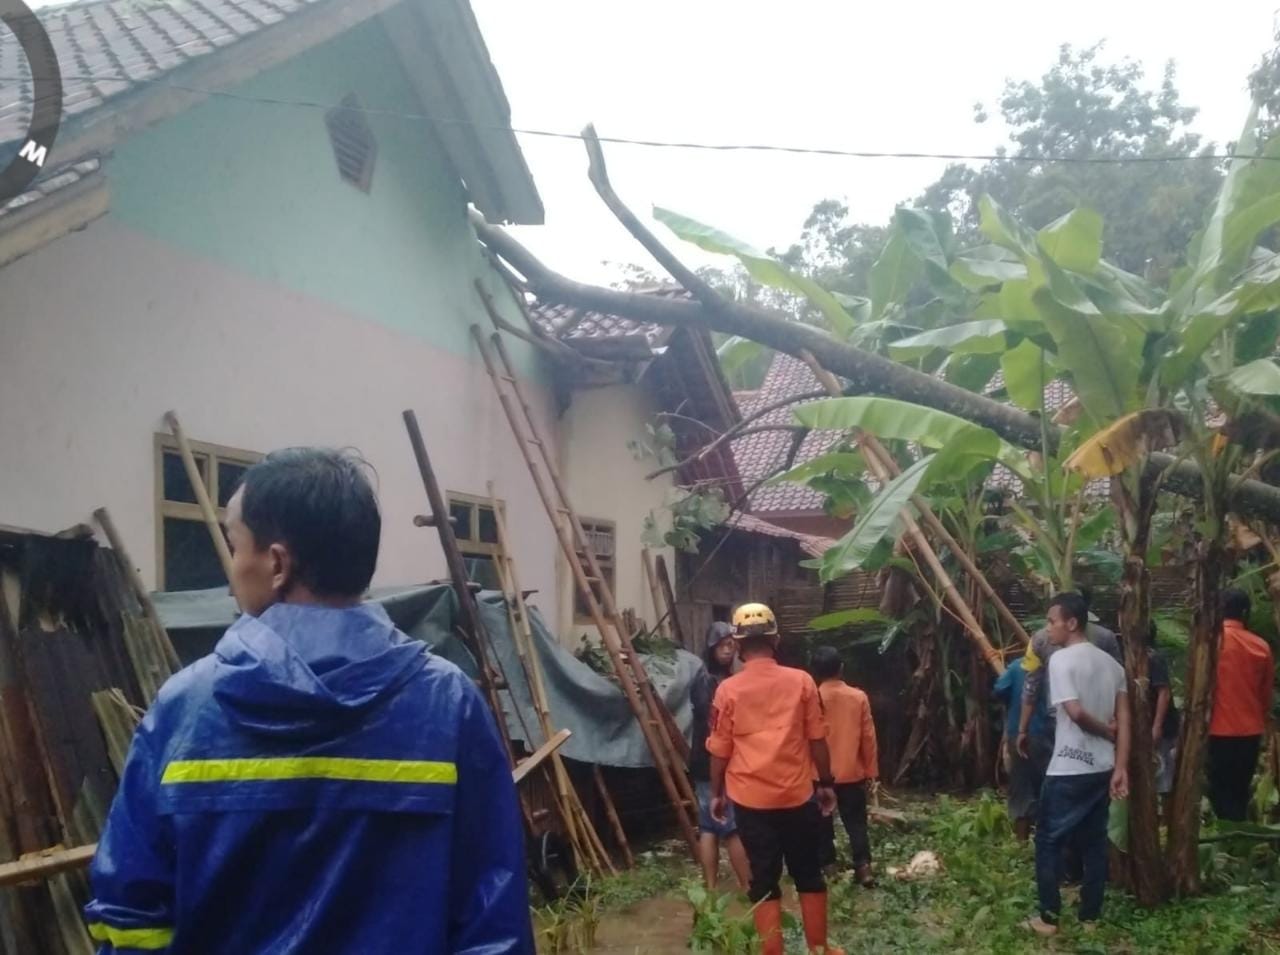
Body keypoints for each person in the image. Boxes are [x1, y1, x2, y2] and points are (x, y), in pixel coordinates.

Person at [84, 448, 532, 954]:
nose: (232, 568)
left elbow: (131, 917)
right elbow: (493, 923)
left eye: (235, 547)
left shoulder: (186, 708)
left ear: (276, 563)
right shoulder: (449, 706)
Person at [707, 603, 844, 955]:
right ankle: (818, 948)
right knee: (808, 874)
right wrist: (826, 784)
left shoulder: (728, 691)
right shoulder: (801, 682)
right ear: (776, 639)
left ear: (737, 645)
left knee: (764, 880)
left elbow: (720, 751)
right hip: (797, 797)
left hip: (751, 802)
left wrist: (717, 794)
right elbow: (817, 739)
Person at [1027, 592, 1130, 937]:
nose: (1048, 629)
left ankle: (1047, 918)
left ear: (1072, 623)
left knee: (1047, 841)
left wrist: (1105, 731)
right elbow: (1125, 721)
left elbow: (1075, 713)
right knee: (1094, 842)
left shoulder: (1060, 660)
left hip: (1069, 767)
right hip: (1102, 767)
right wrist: (1120, 765)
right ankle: (1090, 916)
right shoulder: (1113, 665)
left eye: (1052, 621)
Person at [1016, 587, 1121, 762]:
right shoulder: (1106, 638)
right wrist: (1113, 727)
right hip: (1101, 717)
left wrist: (1022, 729)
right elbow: (1119, 686)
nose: (1049, 627)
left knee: (1062, 765)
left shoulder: (1039, 639)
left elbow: (1030, 687)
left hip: (1059, 718)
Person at [689, 621, 751, 891]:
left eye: (731, 645)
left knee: (709, 826)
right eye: (722, 645)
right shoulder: (707, 681)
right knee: (729, 826)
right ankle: (748, 886)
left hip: (715, 759)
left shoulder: (725, 680)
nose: (727, 650)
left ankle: (712, 890)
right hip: (713, 760)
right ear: (711, 647)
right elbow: (711, 723)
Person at [811, 645, 879, 887]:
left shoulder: (812, 698)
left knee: (821, 824)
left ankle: (829, 870)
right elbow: (868, 738)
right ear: (841, 668)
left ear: (816, 672)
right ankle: (863, 868)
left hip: (819, 774)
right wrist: (871, 772)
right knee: (856, 823)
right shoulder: (858, 697)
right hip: (852, 772)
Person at [1207, 588, 1275, 821]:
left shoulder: (1207, 645)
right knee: (1240, 788)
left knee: (1219, 789)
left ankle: (1223, 841)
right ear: (1245, 612)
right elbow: (1265, 695)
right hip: (1250, 731)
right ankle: (1237, 837)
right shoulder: (1261, 647)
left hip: (1216, 731)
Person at [994, 653, 1051, 842]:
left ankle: (1021, 840)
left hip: (1018, 733)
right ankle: (1047, 840)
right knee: (1047, 786)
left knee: (1020, 786)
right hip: (1048, 735)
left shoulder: (1017, 666)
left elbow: (999, 690)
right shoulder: (1056, 666)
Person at [1146, 624, 1179, 803]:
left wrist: (1157, 726)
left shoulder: (1153, 658)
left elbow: (1163, 691)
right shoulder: (1140, 656)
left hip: (1163, 726)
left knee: (1163, 774)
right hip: (1150, 724)